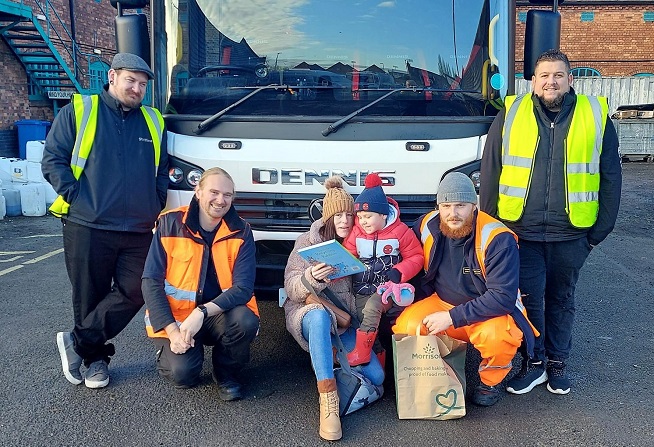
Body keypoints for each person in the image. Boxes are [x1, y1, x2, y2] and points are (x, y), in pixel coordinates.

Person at [480, 49, 622, 396]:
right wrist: (492, 229)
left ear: (570, 79)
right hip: (520, 232)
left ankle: (558, 363)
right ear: (533, 81)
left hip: (572, 233)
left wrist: (598, 233)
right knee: (528, 300)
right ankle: (534, 364)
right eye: (544, 75)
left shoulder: (595, 115)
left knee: (562, 299)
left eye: (558, 75)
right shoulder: (511, 113)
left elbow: (611, 175)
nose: (551, 82)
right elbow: (491, 170)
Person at [43, 53, 168, 389]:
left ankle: (77, 340)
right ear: (112, 77)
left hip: (139, 227)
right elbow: (53, 158)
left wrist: (155, 204)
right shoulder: (81, 111)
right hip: (88, 224)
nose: (137, 88)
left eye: (143, 84)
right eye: (131, 80)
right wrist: (76, 196)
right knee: (89, 295)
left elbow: (161, 172)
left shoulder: (154, 121)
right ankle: (95, 361)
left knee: (138, 289)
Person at [392, 172, 538, 407]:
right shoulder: (427, 225)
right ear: (438, 206)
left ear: (474, 205)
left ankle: (490, 381)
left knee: (498, 337)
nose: (453, 213)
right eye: (446, 205)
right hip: (442, 302)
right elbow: (400, 242)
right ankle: (435, 376)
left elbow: (503, 298)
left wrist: (451, 317)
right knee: (407, 326)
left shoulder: (497, 238)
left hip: (488, 312)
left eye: (461, 205)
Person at [141, 167, 259, 401]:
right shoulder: (169, 223)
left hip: (218, 314)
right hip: (178, 319)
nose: (220, 200)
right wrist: (173, 332)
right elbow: (151, 282)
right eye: (214, 192)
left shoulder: (242, 230)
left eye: (227, 195)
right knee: (182, 376)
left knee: (245, 320)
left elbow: (243, 288)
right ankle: (168, 351)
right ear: (198, 192)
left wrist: (202, 312)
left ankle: (225, 372)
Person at [284, 176, 384, 441]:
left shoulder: (360, 243)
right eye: (337, 215)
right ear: (327, 217)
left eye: (348, 215)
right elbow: (291, 286)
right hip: (310, 311)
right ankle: (328, 400)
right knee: (317, 318)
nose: (343, 221)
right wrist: (312, 278)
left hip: (343, 321)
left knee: (377, 375)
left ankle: (329, 360)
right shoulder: (307, 241)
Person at [342, 173, 423, 366]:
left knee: (372, 308)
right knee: (365, 319)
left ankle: (361, 354)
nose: (363, 221)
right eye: (360, 217)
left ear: (383, 215)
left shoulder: (400, 231)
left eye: (368, 216)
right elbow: (347, 255)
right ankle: (380, 365)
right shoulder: (356, 233)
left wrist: (400, 272)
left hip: (386, 288)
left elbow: (417, 257)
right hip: (361, 288)